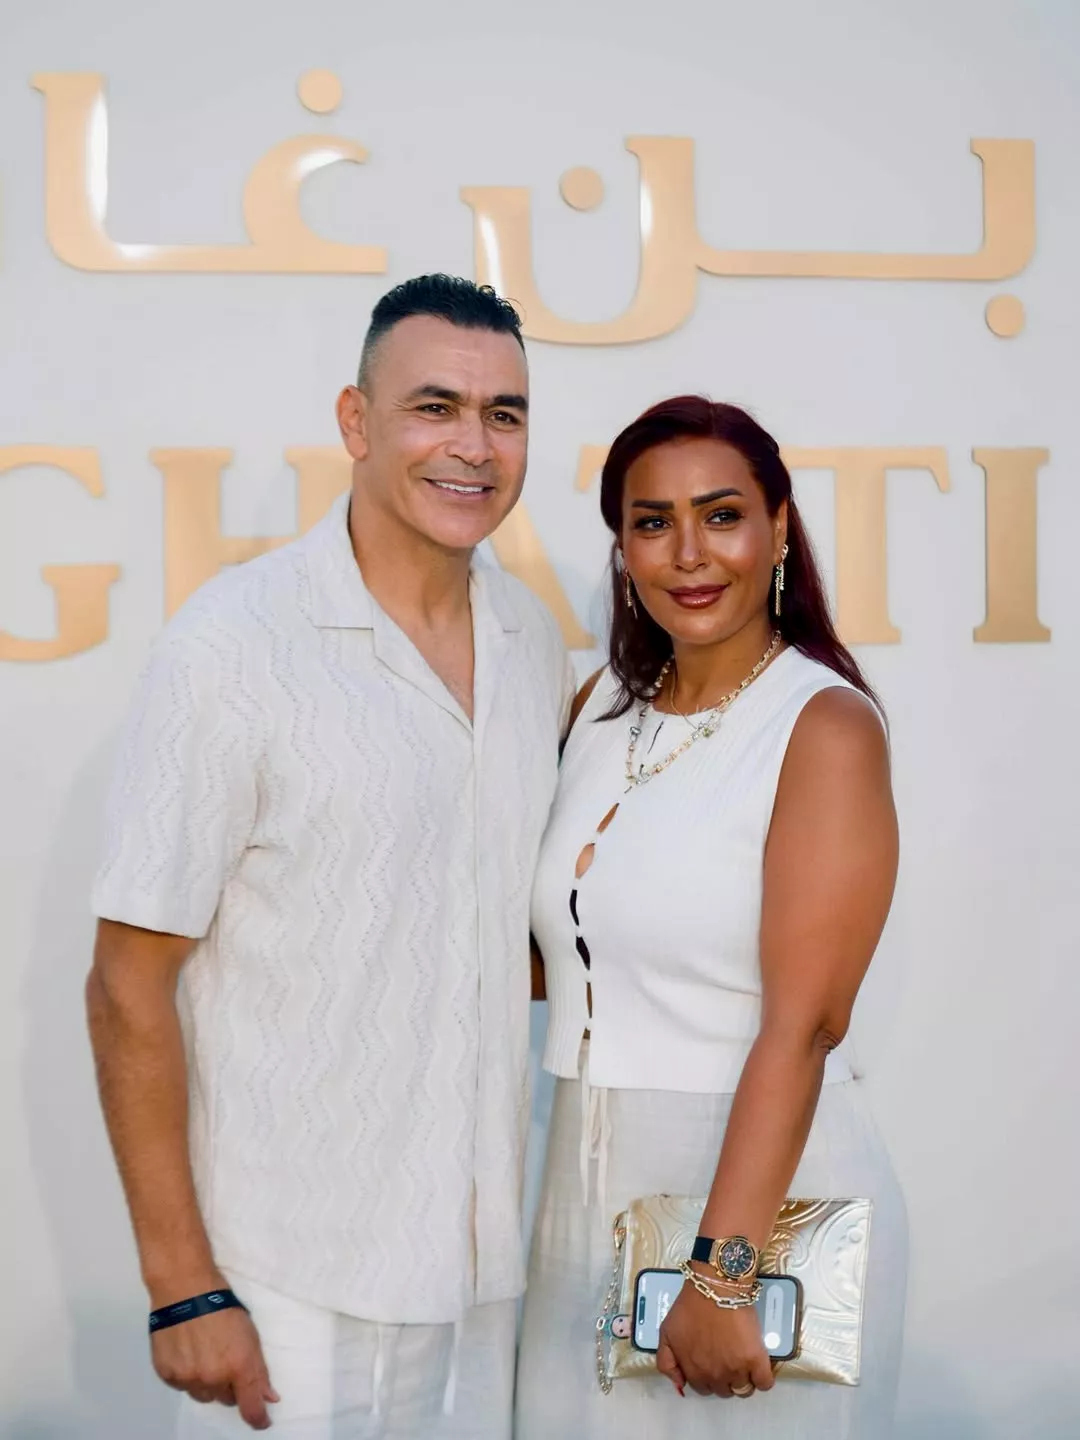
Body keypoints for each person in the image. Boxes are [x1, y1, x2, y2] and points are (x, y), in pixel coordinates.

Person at [86, 274, 574, 1439]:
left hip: (480, 1268)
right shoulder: (232, 647)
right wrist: (182, 1284)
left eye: (504, 414)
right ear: (356, 421)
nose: (474, 446)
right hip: (284, 1275)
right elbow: (126, 984)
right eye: (435, 407)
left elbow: (488, 933)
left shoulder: (532, 643)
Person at [517, 397, 907, 1438]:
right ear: (623, 547)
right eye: (653, 523)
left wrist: (723, 1274)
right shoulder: (598, 712)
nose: (688, 553)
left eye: (722, 515)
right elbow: (568, 956)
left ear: (778, 528)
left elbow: (806, 1025)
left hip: (755, 1204)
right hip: (581, 1188)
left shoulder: (821, 725)